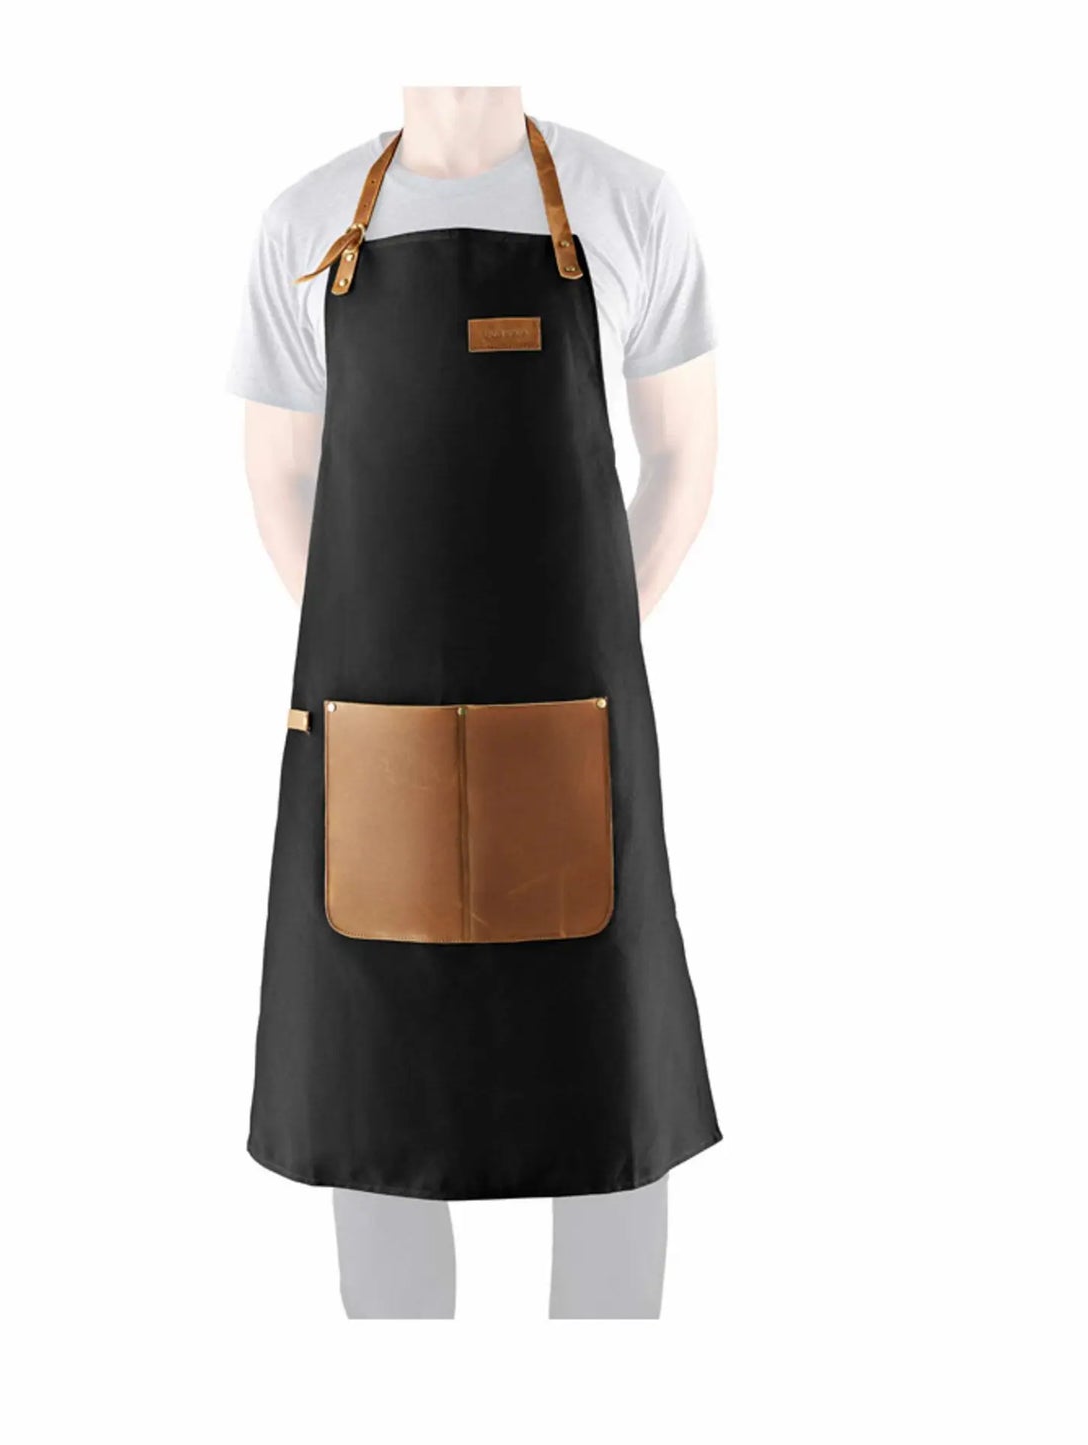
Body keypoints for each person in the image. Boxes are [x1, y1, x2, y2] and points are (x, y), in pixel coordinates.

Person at [230, 87, 720, 1319]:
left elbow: (683, 456)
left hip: (575, 729)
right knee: (382, 1103)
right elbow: (278, 476)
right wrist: (367, 644)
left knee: (602, 1089)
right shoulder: (302, 223)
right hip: (373, 741)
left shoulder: (628, 204)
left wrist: (595, 624)